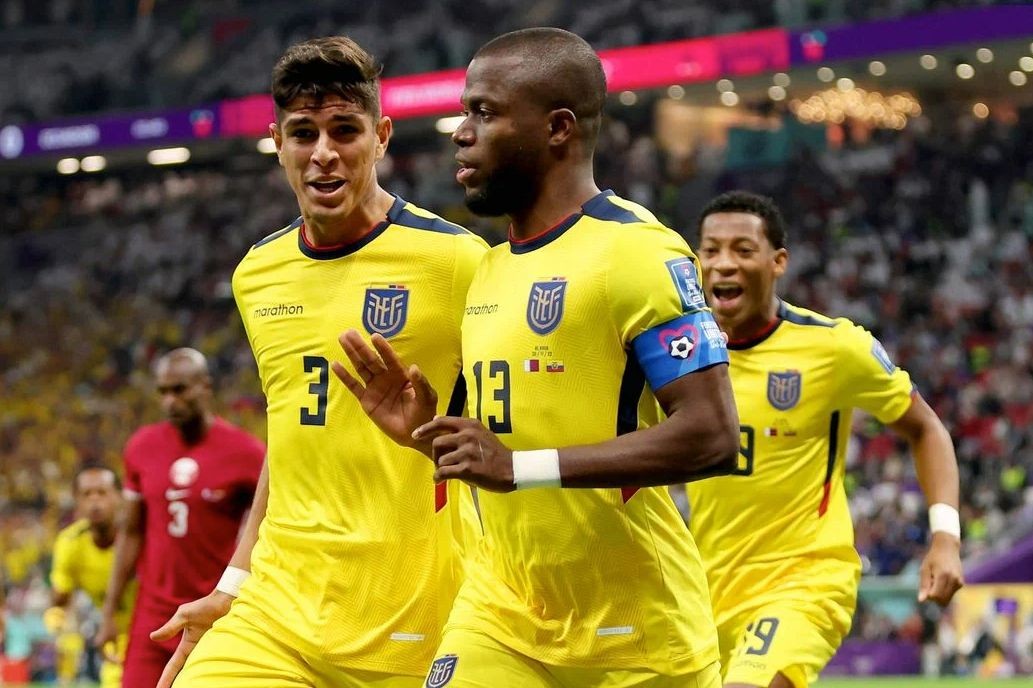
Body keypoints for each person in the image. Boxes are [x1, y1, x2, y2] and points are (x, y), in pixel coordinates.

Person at [335, 27, 739, 688]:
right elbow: (501, 444)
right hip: (503, 614)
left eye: (484, 112)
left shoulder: (636, 252)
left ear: (557, 129)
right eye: (464, 111)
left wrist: (519, 469)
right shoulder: (488, 271)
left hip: (635, 633)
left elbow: (713, 435)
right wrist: (426, 436)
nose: (461, 132)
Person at [156, 36, 486, 688]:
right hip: (278, 612)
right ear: (277, 142)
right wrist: (232, 585)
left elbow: (516, 428)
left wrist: (432, 439)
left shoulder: (457, 262)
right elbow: (291, 439)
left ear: (381, 136)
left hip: (416, 613)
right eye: (304, 134)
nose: (323, 153)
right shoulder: (257, 274)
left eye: (344, 130)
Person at [686, 190, 965, 688]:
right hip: (704, 591)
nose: (724, 263)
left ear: (778, 262)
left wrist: (945, 537)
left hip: (803, 582)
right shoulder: (680, 354)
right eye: (711, 250)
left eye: (743, 250)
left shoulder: (833, 347)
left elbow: (925, 427)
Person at [97, 347, 265, 688]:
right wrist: (110, 611)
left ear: (205, 386)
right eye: (163, 392)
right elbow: (131, 532)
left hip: (213, 614)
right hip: (153, 617)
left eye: (179, 390)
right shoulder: (141, 446)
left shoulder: (247, 453)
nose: (170, 401)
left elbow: (264, 530)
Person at [49, 465, 136, 688]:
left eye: (102, 492)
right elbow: (60, 597)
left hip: (156, 626)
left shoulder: (140, 535)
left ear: (120, 496)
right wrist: (58, 612)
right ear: (76, 502)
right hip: (116, 636)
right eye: (86, 494)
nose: (95, 501)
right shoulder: (70, 543)